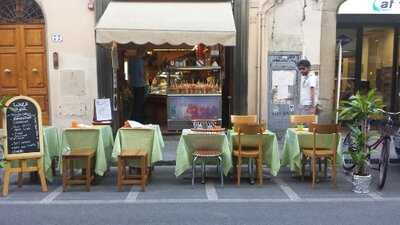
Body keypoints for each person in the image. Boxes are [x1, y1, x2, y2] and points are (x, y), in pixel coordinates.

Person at [128, 49, 147, 123]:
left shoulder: (131, 61)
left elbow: (129, 73)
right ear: (142, 53)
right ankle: (138, 120)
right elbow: (141, 73)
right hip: (140, 85)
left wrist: (130, 83)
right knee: (139, 103)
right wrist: (146, 81)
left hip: (133, 84)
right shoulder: (141, 61)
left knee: (134, 103)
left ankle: (133, 119)